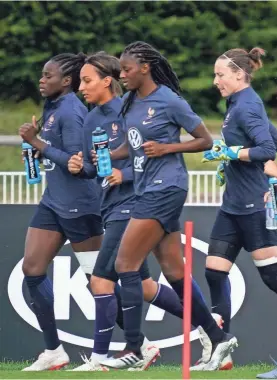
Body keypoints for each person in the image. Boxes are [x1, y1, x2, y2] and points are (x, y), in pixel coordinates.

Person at [67, 51, 217, 372]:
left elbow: (161, 152)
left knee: (105, 278)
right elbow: (120, 158)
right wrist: (82, 165)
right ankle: (210, 326)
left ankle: (116, 353)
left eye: (87, 80)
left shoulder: (156, 102)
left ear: (108, 80)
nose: (82, 87)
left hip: (137, 201)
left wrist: (129, 172)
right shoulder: (111, 112)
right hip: (120, 202)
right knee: (153, 281)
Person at [18, 53, 104, 371]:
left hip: (80, 206)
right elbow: (55, 156)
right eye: (42, 74)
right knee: (33, 269)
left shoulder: (72, 110)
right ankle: (54, 350)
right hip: (53, 202)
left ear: (66, 81)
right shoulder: (52, 107)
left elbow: (77, 164)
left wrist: (36, 141)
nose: (42, 79)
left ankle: (140, 344)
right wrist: (36, 146)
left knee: (98, 282)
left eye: (48, 75)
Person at [193, 47, 277, 372]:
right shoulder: (237, 104)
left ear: (239, 74)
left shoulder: (247, 106)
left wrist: (233, 152)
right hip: (233, 207)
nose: (216, 81)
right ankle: (220, 348)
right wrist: (229, 157)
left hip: (255, 207)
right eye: (215, 74)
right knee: (214, 272)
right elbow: (273, 138)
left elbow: (266, 148)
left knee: (272, 277)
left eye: (220, 74)